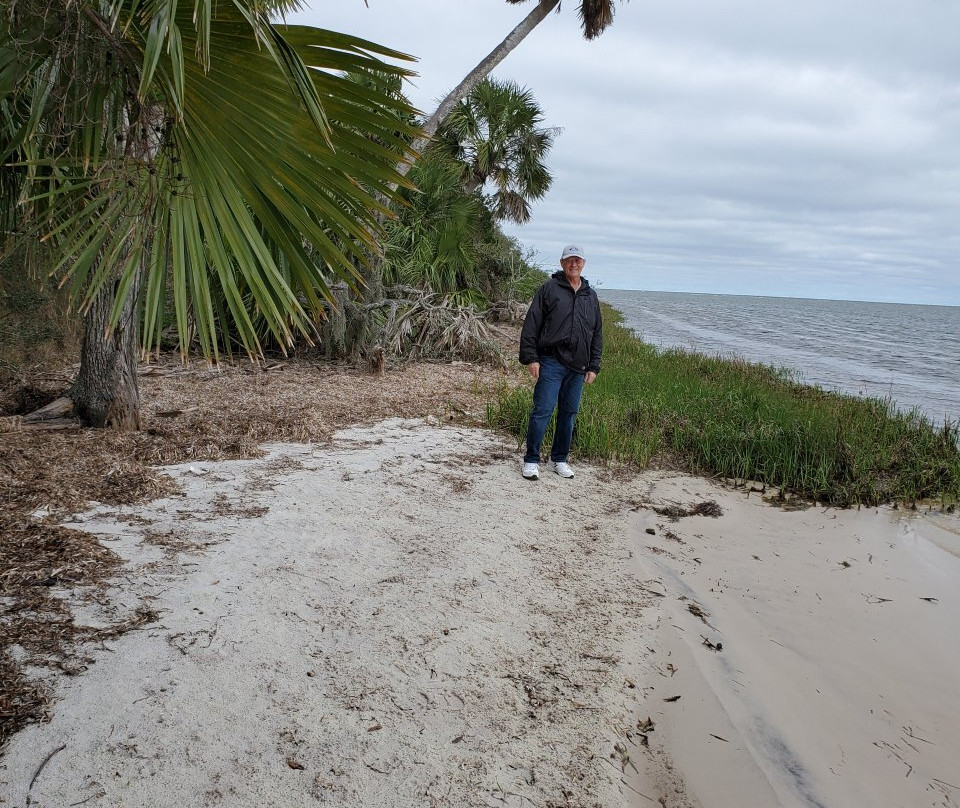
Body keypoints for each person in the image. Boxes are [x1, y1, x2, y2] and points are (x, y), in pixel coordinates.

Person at [518, 244, 602, 480]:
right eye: (569, 260)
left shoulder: (590, 295)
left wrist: (594, 365)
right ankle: (531, 460)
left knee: (569, 413)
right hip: (551, 361)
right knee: (543, 410)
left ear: (583, 263)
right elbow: (531, 324)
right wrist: (531, 358)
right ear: (562, 263)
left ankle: (559, 459)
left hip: (578, 365)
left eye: (577, 261)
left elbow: (596, 332)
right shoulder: (549, 289)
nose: (573, 265)